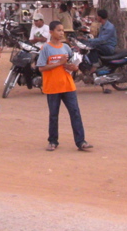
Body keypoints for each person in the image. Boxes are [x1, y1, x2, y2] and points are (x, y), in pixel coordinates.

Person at [37, 21, 92, 152]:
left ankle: (81, 141)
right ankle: (53, 141)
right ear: (51, 32)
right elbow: (41, 68)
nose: (61, 33)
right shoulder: (46, 48)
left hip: (67, 85)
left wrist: (74, 67)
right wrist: (59, 63)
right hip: (52, 86)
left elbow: (72, 65)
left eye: (62, 30)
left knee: (75, 113)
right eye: (58, 30)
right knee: (54, 115)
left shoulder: (66, 47)